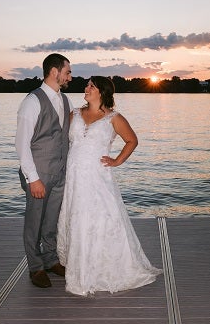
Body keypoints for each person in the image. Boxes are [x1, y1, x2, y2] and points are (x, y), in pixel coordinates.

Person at [57, 76, 162, 296]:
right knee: (78, 217)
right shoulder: (74, 114)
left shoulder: (114, 118)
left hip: (98, 177)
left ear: (102, 92)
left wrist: (117, 161)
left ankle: (105, 269)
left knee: (103, 218)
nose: (86, 88)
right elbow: (61, 141)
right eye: (87, 85)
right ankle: (80, 267)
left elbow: (132, 140)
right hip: (75, 177)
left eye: (91, 86)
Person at [15, 53, 72, 288]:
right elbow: (21, 144)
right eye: (67, 71)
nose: (70, 76)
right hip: (38, 174)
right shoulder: (32, 101)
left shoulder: (65, 99)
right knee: (34, 222)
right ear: (54, 72)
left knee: (51, 221)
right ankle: (35, 267)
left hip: (59, 172)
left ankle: (50, 260)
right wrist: (33, 179)